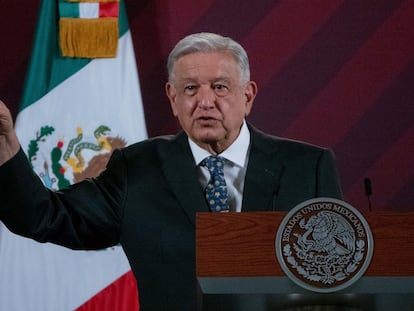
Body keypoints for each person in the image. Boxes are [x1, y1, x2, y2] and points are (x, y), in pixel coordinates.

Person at [0, 32, 343, 310]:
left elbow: (340, 274)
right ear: (172, 98)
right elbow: (45, 216)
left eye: (220, 87)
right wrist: (7, 150)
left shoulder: (307, 167)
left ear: (248, 95)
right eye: (191, 88)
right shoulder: (137, 169)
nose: (205, 101)